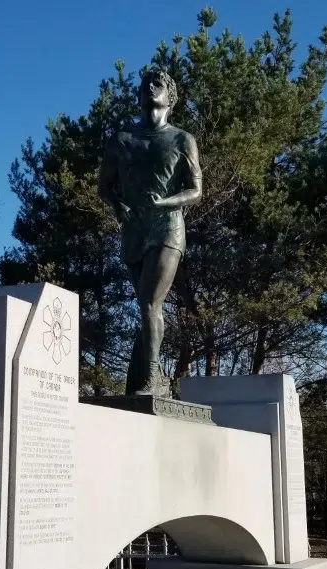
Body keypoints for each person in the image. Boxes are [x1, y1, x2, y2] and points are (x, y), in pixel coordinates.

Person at [97, 67, 202, 395]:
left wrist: (166, 202)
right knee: (147, 307)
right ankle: (147, 377)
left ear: (170, 97)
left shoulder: (182, 139)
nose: (150, 88)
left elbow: (196, 190)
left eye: (158, 84)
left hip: (168, 227)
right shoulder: (123, 139)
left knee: (148, 302)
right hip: (134, 231)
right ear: (139, 95)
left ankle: (150, 378)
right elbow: (104, 186)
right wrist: (118, 206)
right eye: (145, 85)